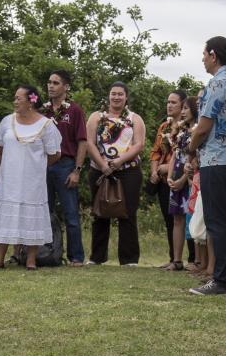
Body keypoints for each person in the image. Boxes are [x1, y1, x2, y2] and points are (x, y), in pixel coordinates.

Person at [188, 36, 226, 295]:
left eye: (203, 53)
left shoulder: (217, 82)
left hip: (216, 158)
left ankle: (222, 280)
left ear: (213, 54)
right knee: (225, 220)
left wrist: (191, 146)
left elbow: (204, 125)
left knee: (216, 220)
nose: (202, 58)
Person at [0, 85, 63, 270]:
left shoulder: (46, 125)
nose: (15, 102)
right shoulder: (7, 121)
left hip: (33, 183)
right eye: (14, 98)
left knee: (32, 218)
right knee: (6, 217)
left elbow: (55, 153)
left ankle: (30, 260)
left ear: (30, 102)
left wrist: (37, 166)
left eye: (18, 98)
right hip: (9, 181)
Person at [86, 82, 146, 266]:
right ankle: (97, 257)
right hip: (99, 170)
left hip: (128, 171)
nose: (116, 97)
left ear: (126, 97)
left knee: (127, 213)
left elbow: (139, 144)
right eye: (113, 94)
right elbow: (89, 143)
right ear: (108, 96)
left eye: (120, 94)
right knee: (99, 212)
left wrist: (119, 161)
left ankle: (129, 259)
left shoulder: (135, 119)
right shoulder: (97, 117)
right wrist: (103, 165)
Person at [43, 70, 88, 266]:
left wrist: (77, 170)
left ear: (66, 87)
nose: (51, 86)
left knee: (70, 213)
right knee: (44, 211)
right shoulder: (42, 110)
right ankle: (46, 253)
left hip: (66, 164)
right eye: (49, 83)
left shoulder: (74, 111)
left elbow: (82, 142)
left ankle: (76, 257)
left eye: (56, 83)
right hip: (43, 164)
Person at [151, 90, 186, 268]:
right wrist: (154, 171)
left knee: (184, 219)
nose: (169, 105)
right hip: (163, 180)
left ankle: (194, 259)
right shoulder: (164, 126)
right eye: (168, 102)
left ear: (182, 105)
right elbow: (156, 151)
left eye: (173, 102)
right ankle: (174, 258)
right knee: (169, 218)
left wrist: (167, 168)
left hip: (180, 176)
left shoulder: (186, 126)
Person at [164, 93, 195, 271]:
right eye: (181, 108)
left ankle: (197, 260)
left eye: (185, 108)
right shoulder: (181, 132)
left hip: (188, 178)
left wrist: (184, 179)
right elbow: (175, 154)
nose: (182, 112)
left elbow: (193, 157)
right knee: (176, 218)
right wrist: (169, 176)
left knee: (191, 218)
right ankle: (176, 260)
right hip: (175, 176)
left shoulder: (196, 131)